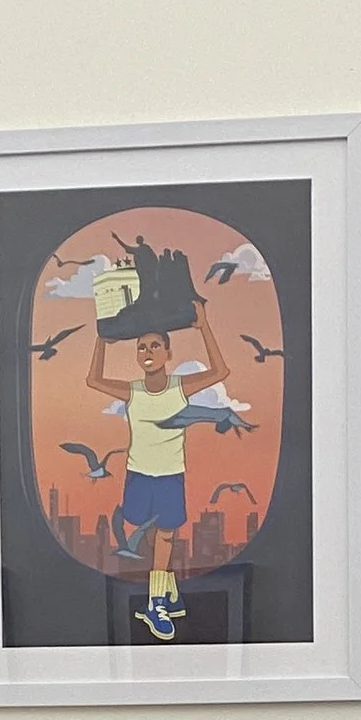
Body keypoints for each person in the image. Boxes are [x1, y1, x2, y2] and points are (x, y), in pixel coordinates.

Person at [88, 258, 229, 643]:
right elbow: (93, 379)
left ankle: (155, 605)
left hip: (169, 475)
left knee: (165, 536)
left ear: (167, 353)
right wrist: (103, 338)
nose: (148, 351)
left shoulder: (179, 387)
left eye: (155, 346)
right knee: (150, 534)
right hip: (139, 474)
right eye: (142, 347)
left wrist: (204, 328)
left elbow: (220, 373)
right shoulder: (132, 391)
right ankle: (165, 588)